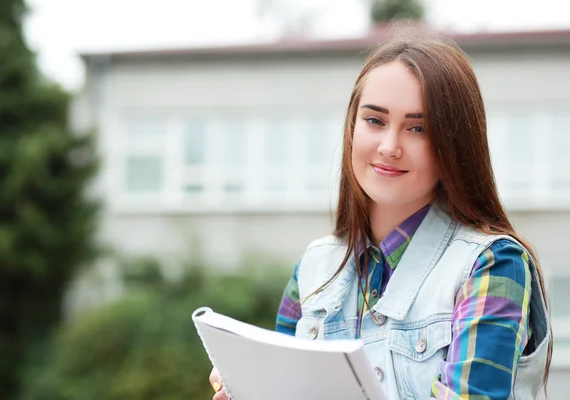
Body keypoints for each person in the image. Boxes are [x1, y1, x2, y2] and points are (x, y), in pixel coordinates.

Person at [208, 28, 552, 400]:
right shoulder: (313, 269)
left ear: (454, 145)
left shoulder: (491, 265)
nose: (390, 147)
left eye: (418, 128)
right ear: (352, 128)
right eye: (375, 120)